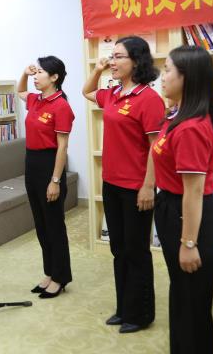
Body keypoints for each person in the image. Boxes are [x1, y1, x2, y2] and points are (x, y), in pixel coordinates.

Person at [82, 36, 164, 333]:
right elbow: (87, 91)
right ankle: (124, 308)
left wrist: (148, 186)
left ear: (137, 61)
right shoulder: (113, 93)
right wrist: (98, 69)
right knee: (119, 249)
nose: (112, 61)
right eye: (111, 56)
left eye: (118, 57)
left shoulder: (149, 99)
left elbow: (156, 147)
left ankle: (141, 314)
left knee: (136, 251)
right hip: (112, 184)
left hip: (136, 187)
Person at [152, 46, 213, 354]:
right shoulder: (176, 115)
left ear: (188, 78)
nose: (162, 76)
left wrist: (189, 243)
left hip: (191, 220)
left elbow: (194, 191)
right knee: (183, 298)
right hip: (174, 210)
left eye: (168, 70)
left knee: (192, 304)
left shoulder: (191, 128)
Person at [17, 56, 74, 299]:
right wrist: (24, 72)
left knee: (54, 226)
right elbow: (20, 91)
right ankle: (49, 272)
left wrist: (55, 180)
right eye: (36, 72)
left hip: (50, 165)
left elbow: (62, 147)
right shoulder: (36, 100)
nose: (35, 77)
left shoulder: (61, 106)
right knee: (41, 225)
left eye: (40, 72)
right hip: (31, 164)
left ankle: (61, 277)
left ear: (54, 77)